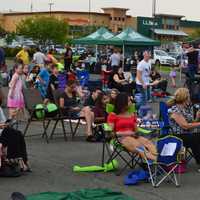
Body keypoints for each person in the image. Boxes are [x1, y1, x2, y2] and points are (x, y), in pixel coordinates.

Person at [107, 93, 157, 160]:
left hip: (133, 136)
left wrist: (136, 132)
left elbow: (136, 131)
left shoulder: (132, 115)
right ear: (122, 103)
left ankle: (160, 158)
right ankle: (158, 162)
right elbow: (111, 133)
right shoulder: (113, 115)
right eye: (129, 101)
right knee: (140, 147)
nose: (131, 102)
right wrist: (127, 133)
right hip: (120, 139)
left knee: (148, 143)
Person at [168, 88, 200, 172]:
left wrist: (197, 116)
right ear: (184, 97)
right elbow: (185, 126)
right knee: (195, 138)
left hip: (187, 134)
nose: (190, 97)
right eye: (188, 95)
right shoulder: (174, 109)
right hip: (177, 136)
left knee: (196, 136)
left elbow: (191, 123)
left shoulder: (186, 107)